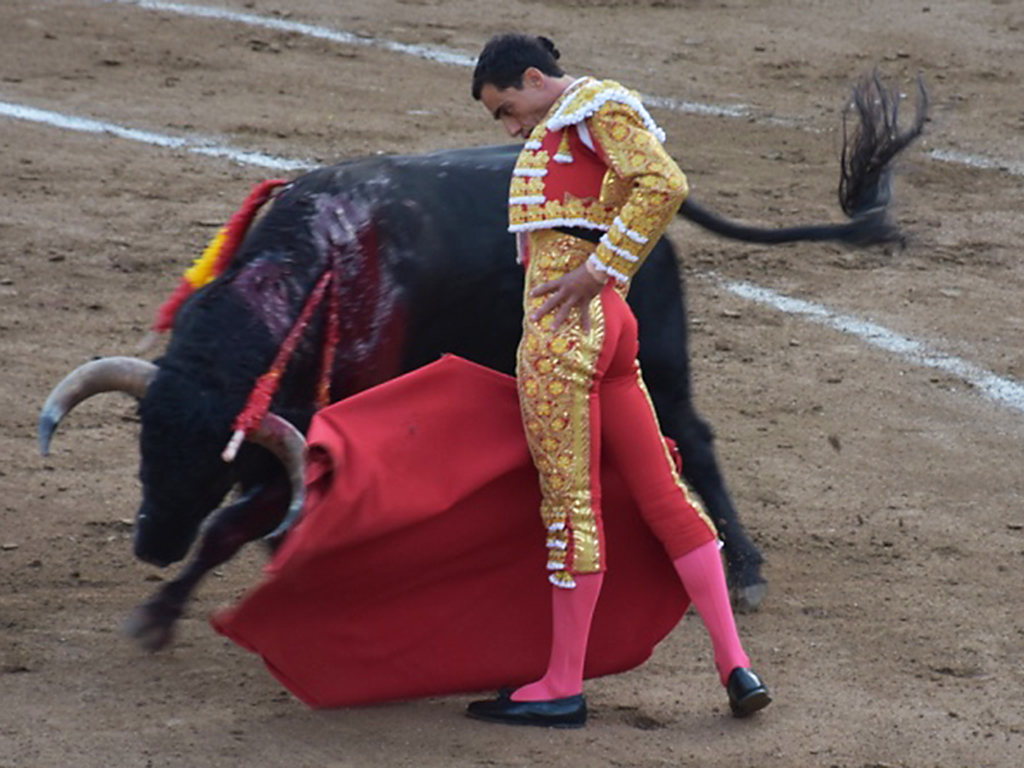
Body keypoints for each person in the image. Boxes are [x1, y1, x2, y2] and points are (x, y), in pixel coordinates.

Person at [466, 32, 771, 728]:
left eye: (508, 108)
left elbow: (665, 182)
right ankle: (734, 663)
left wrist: (602, 268)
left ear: (536, 78)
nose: (512, 127)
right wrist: (606, 280)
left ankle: (561, 685)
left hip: (566, 331)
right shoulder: (577, 120)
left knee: (570, 506)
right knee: (665, 496)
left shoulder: (590, 107)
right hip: (608, 328)